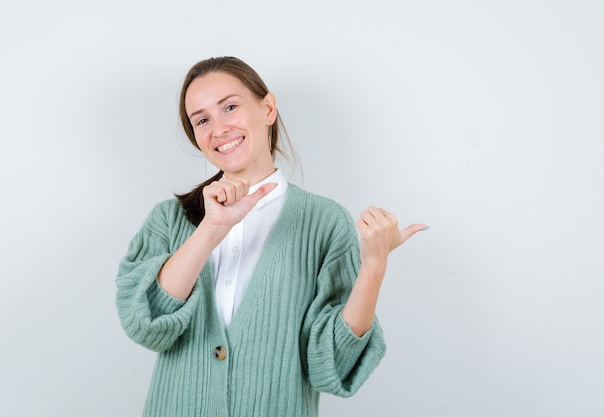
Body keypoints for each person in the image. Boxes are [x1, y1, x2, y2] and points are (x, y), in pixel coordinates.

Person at [116, 56, 427, 417]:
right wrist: (210, 230)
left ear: (268, 109)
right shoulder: (168, 220)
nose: (218, 129)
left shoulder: (323, 221)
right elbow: (146, 325)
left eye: (229, 107)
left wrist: (374, 267)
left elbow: (332, 365)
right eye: (202, 120)